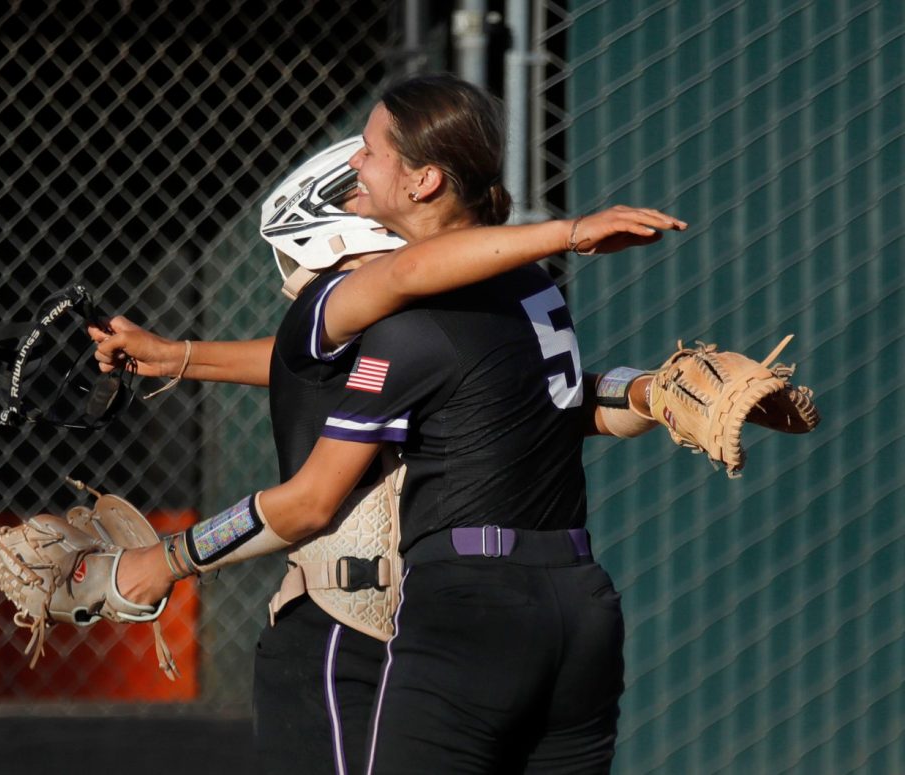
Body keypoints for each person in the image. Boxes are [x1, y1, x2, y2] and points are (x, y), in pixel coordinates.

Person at [99, 77, 686, 774]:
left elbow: (312, 498)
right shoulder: (533, 289)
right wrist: (648, 389)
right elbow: (531, 391)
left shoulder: (393, 320)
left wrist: (163, 561)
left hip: (458, 607)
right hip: (581, 601)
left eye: (372, 151)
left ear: (425, 179)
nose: (356, 163)